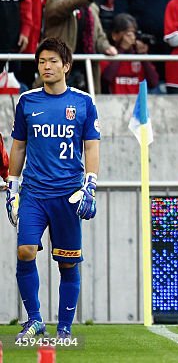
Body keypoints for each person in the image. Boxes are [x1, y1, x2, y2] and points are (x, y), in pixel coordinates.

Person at [5, 38, 100, 342]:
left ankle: (65, 327)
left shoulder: (83, 102)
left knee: (68, 261)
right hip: (34, 192)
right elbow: (19, 146)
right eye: (42, 61)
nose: (46, 66)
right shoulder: (27, 101)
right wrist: (12, 186)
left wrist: (91, 184)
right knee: (25, 251)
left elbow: (91, 146)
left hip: (68, 194)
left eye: (52, 61)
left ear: (66, 66)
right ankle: (34, 320)